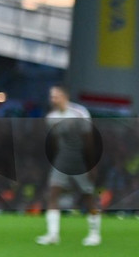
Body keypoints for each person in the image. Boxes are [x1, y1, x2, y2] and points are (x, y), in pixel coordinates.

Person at [37, 85, 101, 246]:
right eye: (51, 96)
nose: (53, 99)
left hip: (80, 159)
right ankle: (53, 234)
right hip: (62, 159)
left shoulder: (79, 113)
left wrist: (91, 164)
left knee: (88, 196)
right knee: (52, 193)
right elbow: (54, 143)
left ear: (65, 96)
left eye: (56, 96)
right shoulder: (51, 117)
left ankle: (94, 233)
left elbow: (89, 140)